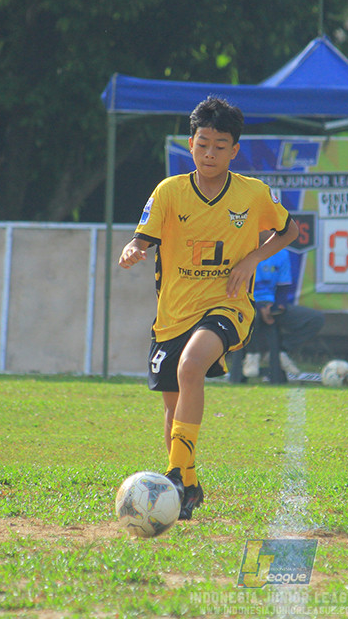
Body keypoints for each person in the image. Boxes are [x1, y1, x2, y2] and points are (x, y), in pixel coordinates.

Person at [119, 96, 298, 520]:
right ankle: (186, 484)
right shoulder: (170, 191)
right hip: (172, 314)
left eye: (220, 145)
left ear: (235, 150)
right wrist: (132, 249)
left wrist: (252, 258)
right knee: (172, 404)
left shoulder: (253, 194)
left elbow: (289, 231)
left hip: (228, 306)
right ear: (190, 144)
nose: (210, 153)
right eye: (202, 144)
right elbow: (142, 238)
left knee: (190, 366)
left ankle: (175, 478)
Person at [241, 243, 324, 382]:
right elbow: (240, 287)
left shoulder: (281, 253)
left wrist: (274, 308)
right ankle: (252, 355)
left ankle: (281, 351)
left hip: (271, 306)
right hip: (248, 303)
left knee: (315, 319)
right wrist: (260, 306)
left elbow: (283, 287)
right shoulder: (244, 251)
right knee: (250, 314)